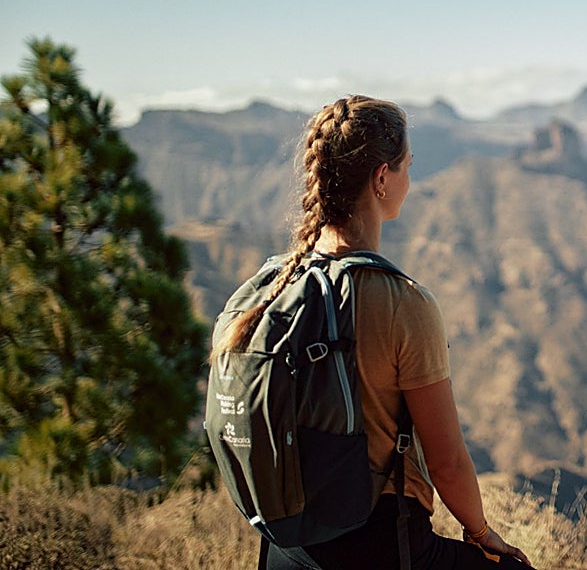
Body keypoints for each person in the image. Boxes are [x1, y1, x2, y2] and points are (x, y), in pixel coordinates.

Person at [219, 95, 531, 569]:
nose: (411, 178)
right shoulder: (403, 303)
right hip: (381, 546)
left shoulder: (266, 289)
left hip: (286, 546)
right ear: (382, 178)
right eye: (406, 165)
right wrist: (485, 536)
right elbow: (447, 463)